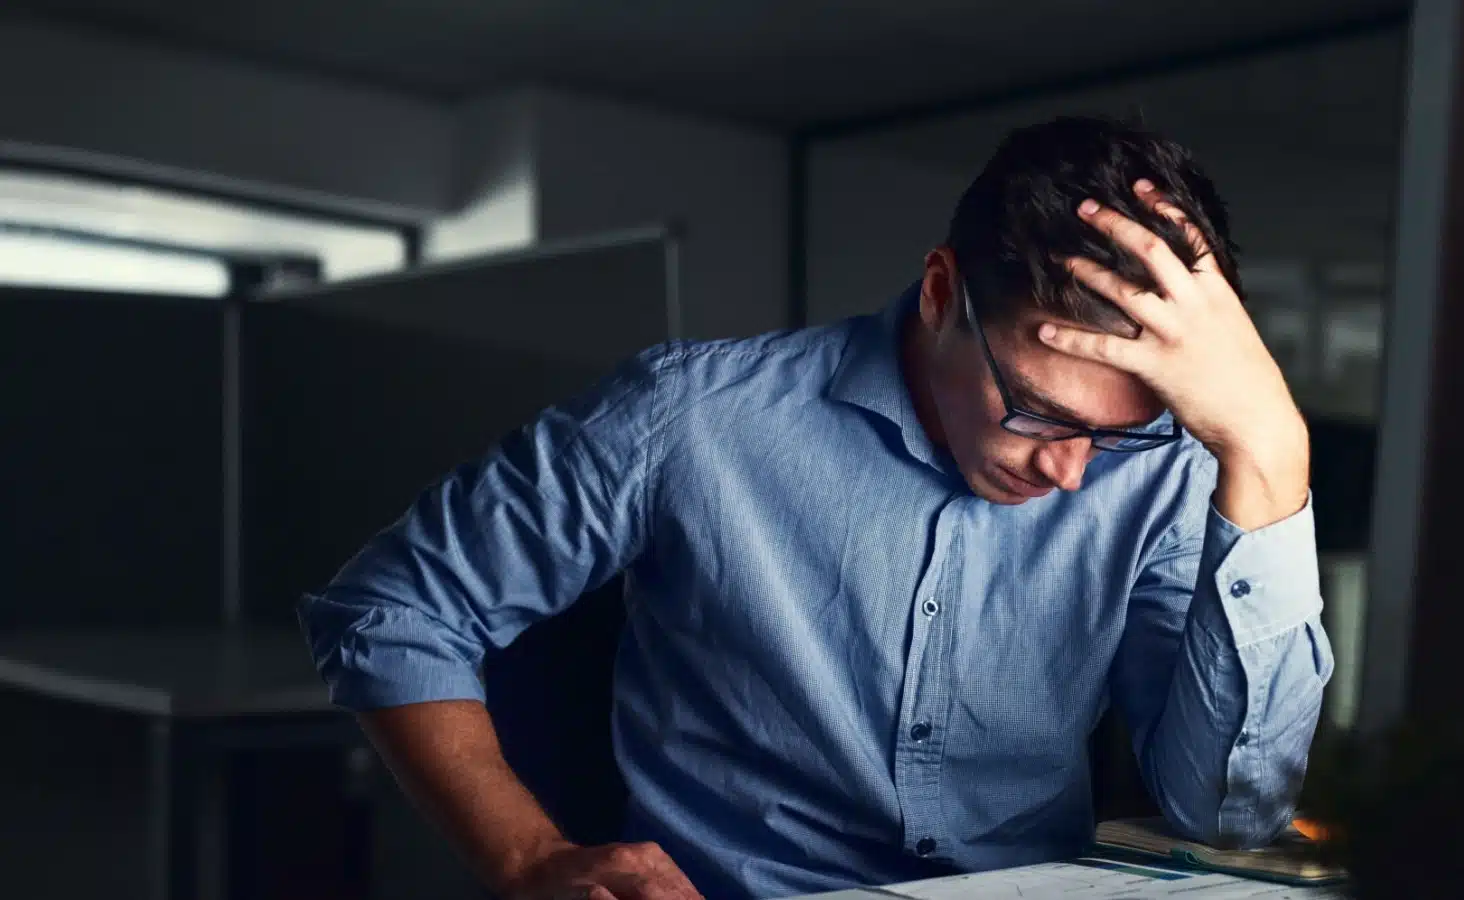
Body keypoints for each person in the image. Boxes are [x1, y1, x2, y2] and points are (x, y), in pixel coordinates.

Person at [299, 115, 1333, 900]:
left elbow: (1227, 808)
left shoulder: (1157, 467)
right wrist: (528, 855)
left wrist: (1271, 455)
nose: (1071, 473)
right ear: (939, 293)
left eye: (1121, 435)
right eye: (1033, 411)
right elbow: (392, 609)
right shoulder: (688, 416)